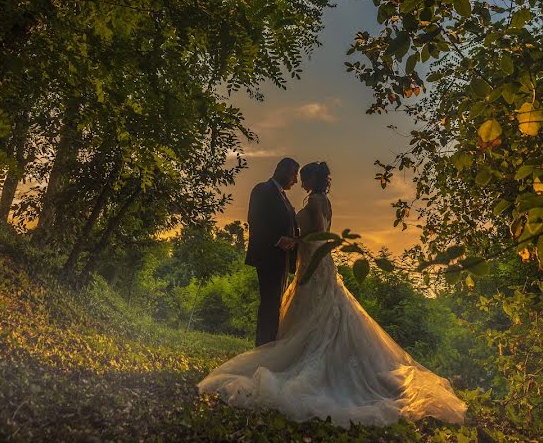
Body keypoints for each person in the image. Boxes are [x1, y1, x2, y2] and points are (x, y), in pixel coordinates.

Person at [198, 162, 467, 427]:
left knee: (317, 309)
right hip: (311, 261)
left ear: (311, 180)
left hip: (314, 260)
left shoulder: (315, 202)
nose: (298, 181)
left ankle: (301, 357)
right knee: (313, 308)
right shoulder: (319, 200)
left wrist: (296, 241)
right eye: (296, 176)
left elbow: (319, 235)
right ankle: (280, 348)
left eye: (302, 177)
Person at [243, 157, 300, 347]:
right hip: (267, 256)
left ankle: (270, 343)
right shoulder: (262, 190)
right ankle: (263, 345)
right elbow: (255, 220)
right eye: (294, 175)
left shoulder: (283, 195)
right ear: (283, 170)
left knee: (276, 303)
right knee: (270, 303)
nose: (296, 180)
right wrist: (278, 239)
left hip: (282, 258)